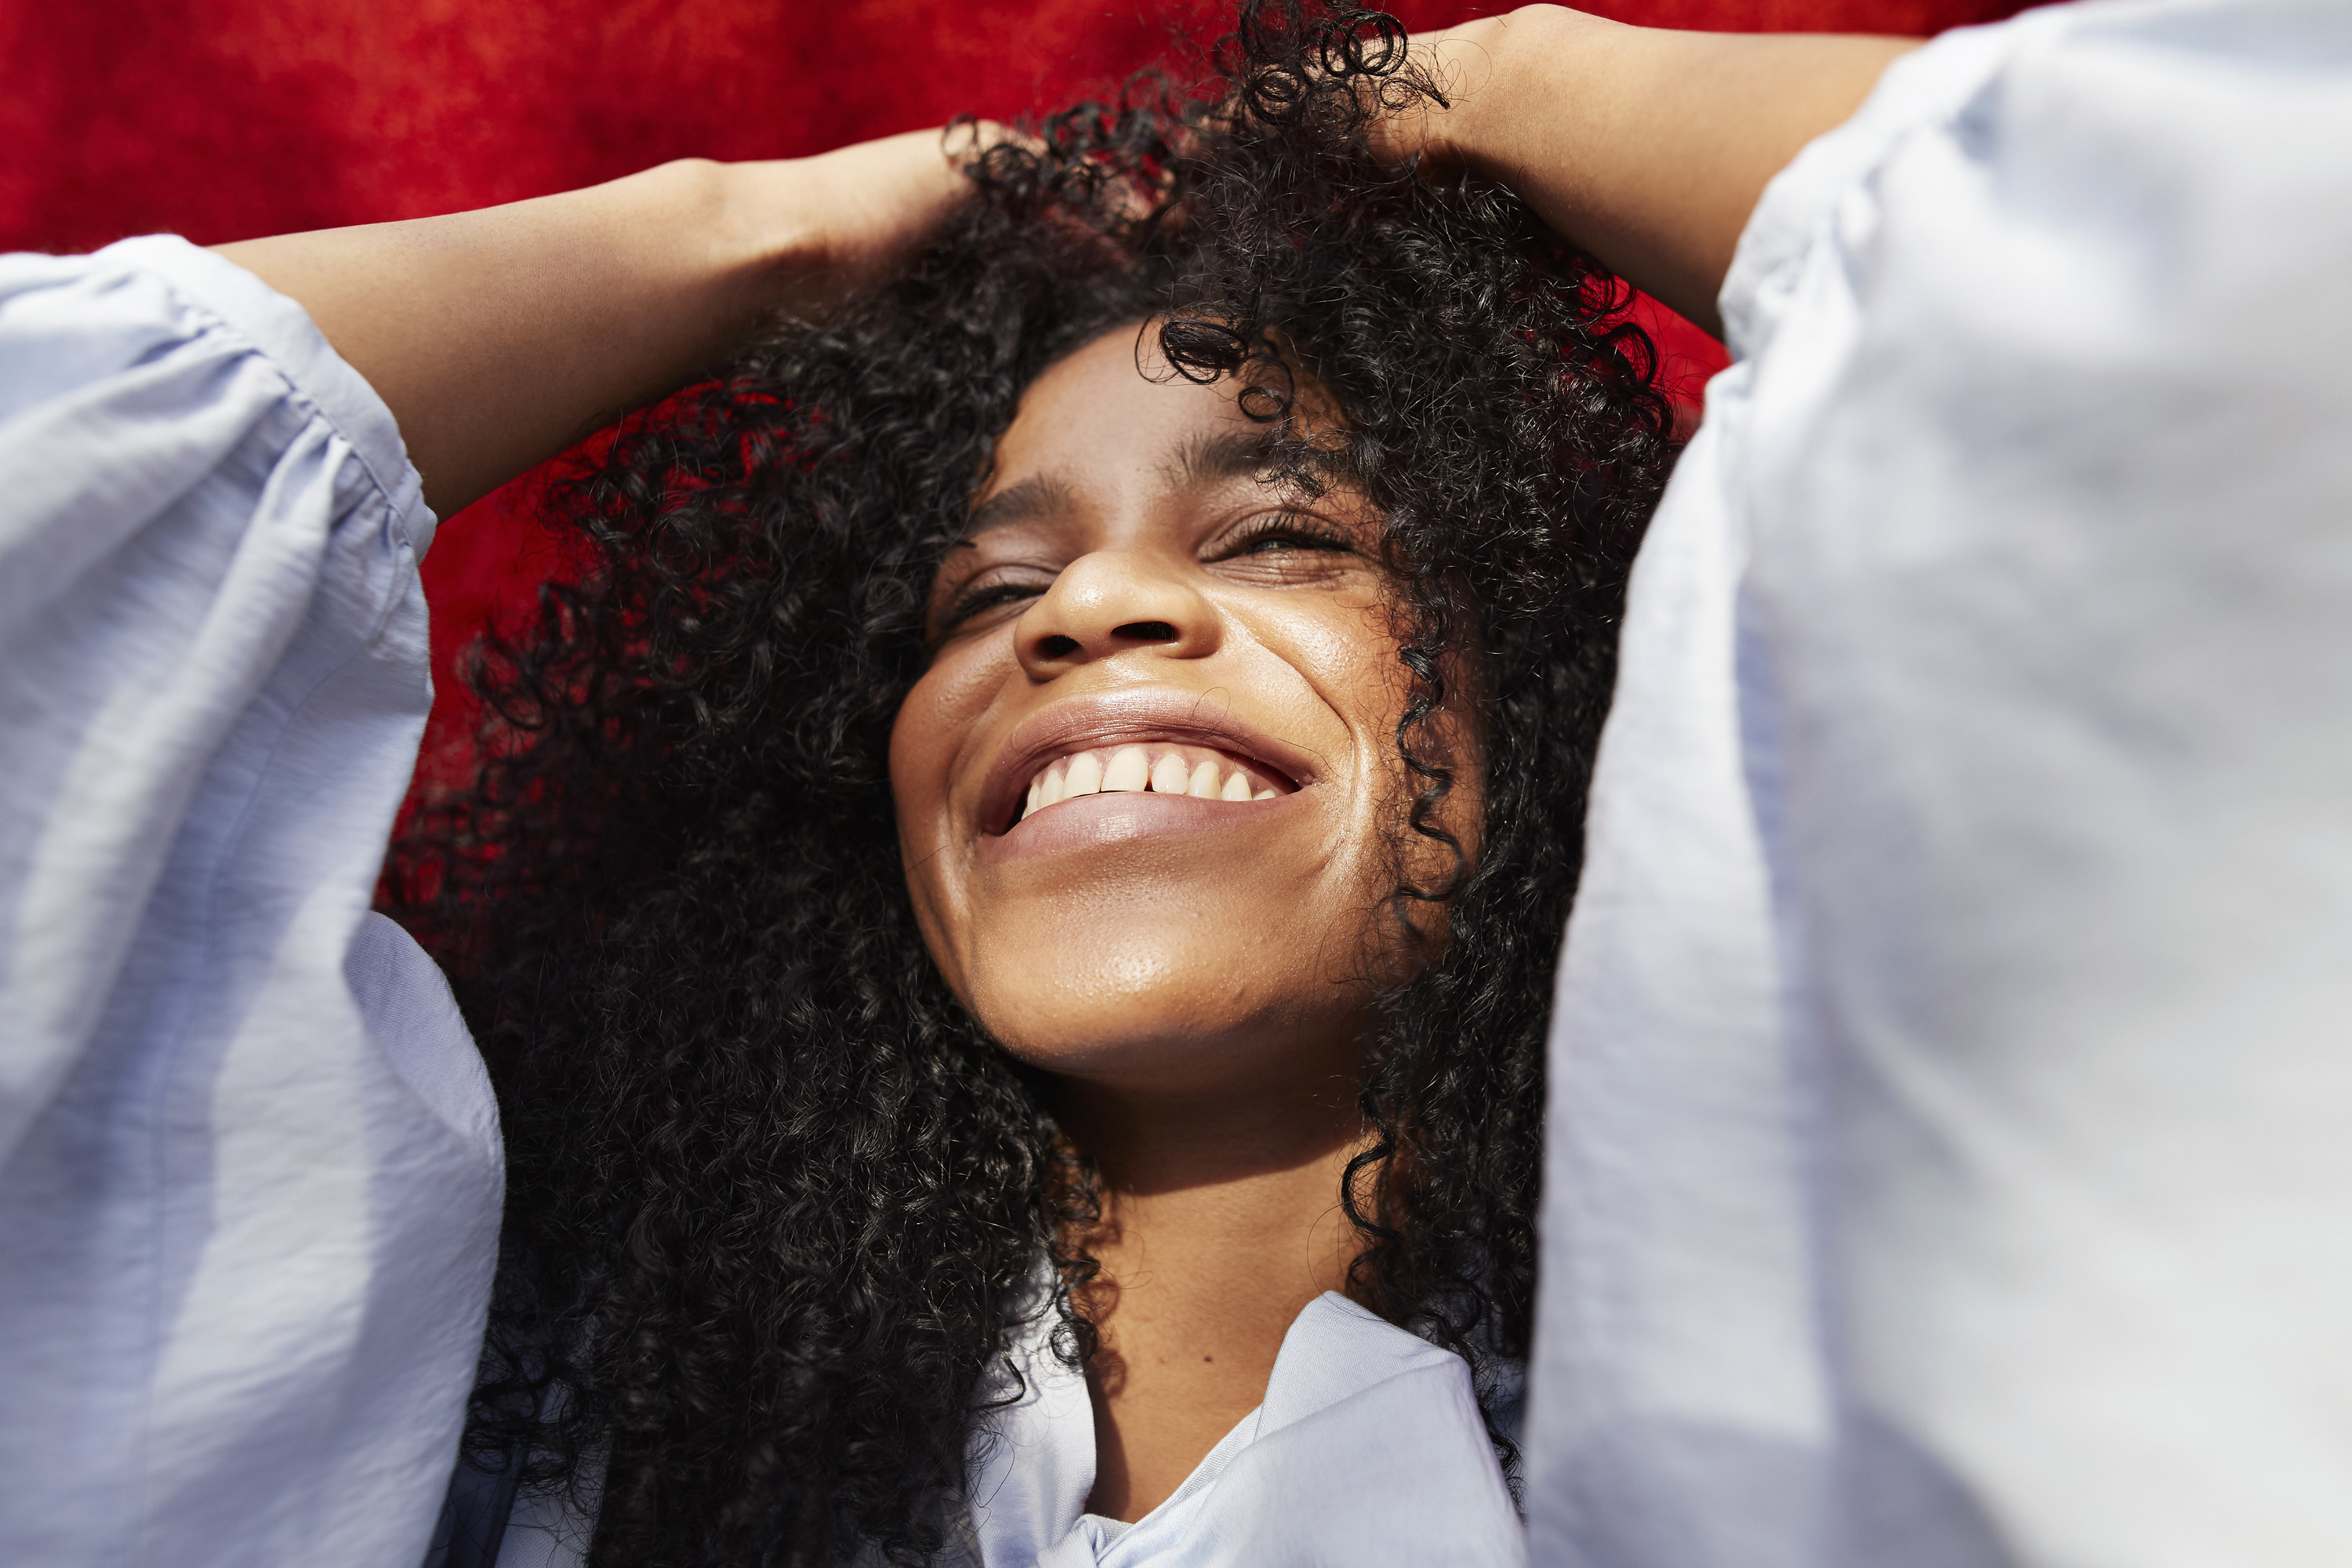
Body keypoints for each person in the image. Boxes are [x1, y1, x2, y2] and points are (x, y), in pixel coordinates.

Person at [9, 4, 2350, 1568]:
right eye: (971, 594)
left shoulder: (1835, 1372)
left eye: (1282, 535)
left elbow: (2253, 297)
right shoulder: (516, 1442)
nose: (1084, 619)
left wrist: (1513, 82)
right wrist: (751, 227)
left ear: (1547, 695)